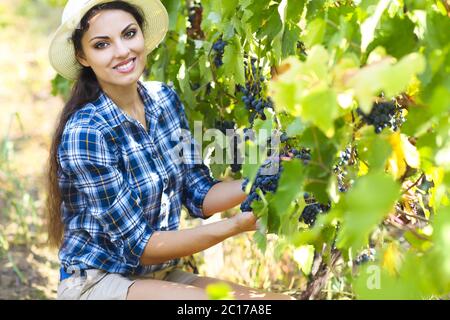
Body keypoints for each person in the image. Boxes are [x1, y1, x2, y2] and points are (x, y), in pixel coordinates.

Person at [46, 0, 293, 300]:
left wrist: (268, 174)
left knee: (271, 302)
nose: (123, 51)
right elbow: (141, 245)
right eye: (102, 45)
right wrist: (235, 225)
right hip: (98, 282)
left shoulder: (164, 100)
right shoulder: (87, 133)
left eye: (129, 34)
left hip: (157, 274)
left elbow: (198, 191)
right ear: (82, 56)